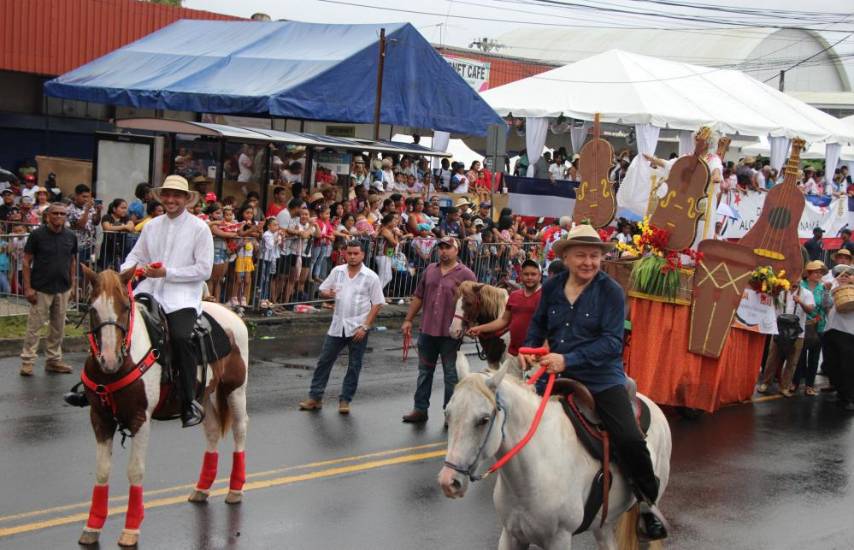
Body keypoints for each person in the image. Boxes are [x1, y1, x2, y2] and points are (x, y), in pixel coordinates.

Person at [520, 224, 668, 541]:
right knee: (512, 419)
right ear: (567, 257)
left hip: (601, 378)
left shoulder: (611, 291)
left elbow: (612, 343)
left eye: (594, 256)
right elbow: (537, 327)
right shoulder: (552, 287)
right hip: (554, 373)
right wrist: (528, 349)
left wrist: (567, 360)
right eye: (581, 255)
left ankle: (647, 503)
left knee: (629, 438)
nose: (588, 262)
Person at [121, 175, 213, 427]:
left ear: (186, 199)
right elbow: (135, 256)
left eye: (177, 195)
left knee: (181, 337)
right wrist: (125, 273)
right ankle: (95, 386)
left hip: (181, 297)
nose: (171, 200)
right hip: (150, 290)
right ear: (161, 197)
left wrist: (168, 273)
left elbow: (204, 270)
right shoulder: (151, 226)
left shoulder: (199, 228)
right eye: (167, 195)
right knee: (116, 324)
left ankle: (188, 401)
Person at [298, 241, 385, 414]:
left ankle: (345, 399)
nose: (352, 256)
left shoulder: (371, 277)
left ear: (362, 255)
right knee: (324, 361)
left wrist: (365, 326)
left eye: (356, 253)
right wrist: (328, 294)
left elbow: (377, 304)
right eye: (349, 253)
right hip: (338, 325)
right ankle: (315, 397)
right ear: (345, 254)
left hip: (358, 327)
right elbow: (323, 289)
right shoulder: (337, 272)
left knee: (354, 365)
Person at [401, 236, 476, 424]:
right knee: (425, 371)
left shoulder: (466, 274)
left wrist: (470, 326)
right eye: (441, 248)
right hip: (427, 329)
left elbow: (474, 303)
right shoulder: (430, 270)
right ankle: (420, 410)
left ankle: (449, 413)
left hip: (450, 333)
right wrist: (408, 319)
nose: (443, 251)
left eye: (448, 247)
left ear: (456, 250)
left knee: (451, 375)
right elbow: (419, 296)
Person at [20, 203, 77, 376]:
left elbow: (72, 261)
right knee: (34, 327)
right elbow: (26, 261)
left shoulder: (70, 236)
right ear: (47, 216)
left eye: (63, 213)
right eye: (56, 213)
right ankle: (27, 361)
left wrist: (73, 285)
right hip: (41, 288)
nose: (59, 216)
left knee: (58, 328)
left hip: (62, 288)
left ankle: (53, 361)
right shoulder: (37, 235)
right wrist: (28, 288)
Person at [468, 259, 542, 358]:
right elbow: (503, 320)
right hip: (514, 355)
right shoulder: (514, 296)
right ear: (520, 275)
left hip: (536, 355)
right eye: (526, 274)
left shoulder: (546, 296)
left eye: (533, 274)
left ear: (540, 276)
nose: (529, 277)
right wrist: (480, 328)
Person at [757, 283, 815, 397]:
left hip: (798, 334)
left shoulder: (807, 293)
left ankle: (784, 387)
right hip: (779, 331)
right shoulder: (779, 291)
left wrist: (800, 301)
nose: (795, 281)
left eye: (797, 278)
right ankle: (766, 383)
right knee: (772, 359)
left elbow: (810, 310)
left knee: (792, 361)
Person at [793, 261, 832, 395]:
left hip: (818, 326)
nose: (818, 274)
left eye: (820, 272)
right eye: (815, 272)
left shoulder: (823, 288)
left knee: (814, 358)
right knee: (799, 356)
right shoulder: (800, 286)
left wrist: (827, 292)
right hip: (801, 324)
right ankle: (795, 382)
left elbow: (828, 306)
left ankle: (810, 385)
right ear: (808, 274)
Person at [822, 264, 854, 411]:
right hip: (831, 330)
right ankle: (841, 393)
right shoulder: (834, 290)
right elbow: (825, 305)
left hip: (848, 332)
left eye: (847, 275)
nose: (844, 277)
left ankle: (848, 398)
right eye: (840, 275)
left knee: (847, 367)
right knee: (831, 365)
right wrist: (827, 290)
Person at [67, 184, 102, 266]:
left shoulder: (90, 207)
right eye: (84, 196)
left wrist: (98, 211)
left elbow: (95, 222)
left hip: (89, 245)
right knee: (77, 271)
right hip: (76, 246)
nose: (86, 199)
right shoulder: (70, 209)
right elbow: (81, 225)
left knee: (87, 271)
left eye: (88, 197)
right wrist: (86, 210)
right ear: (76, 196)